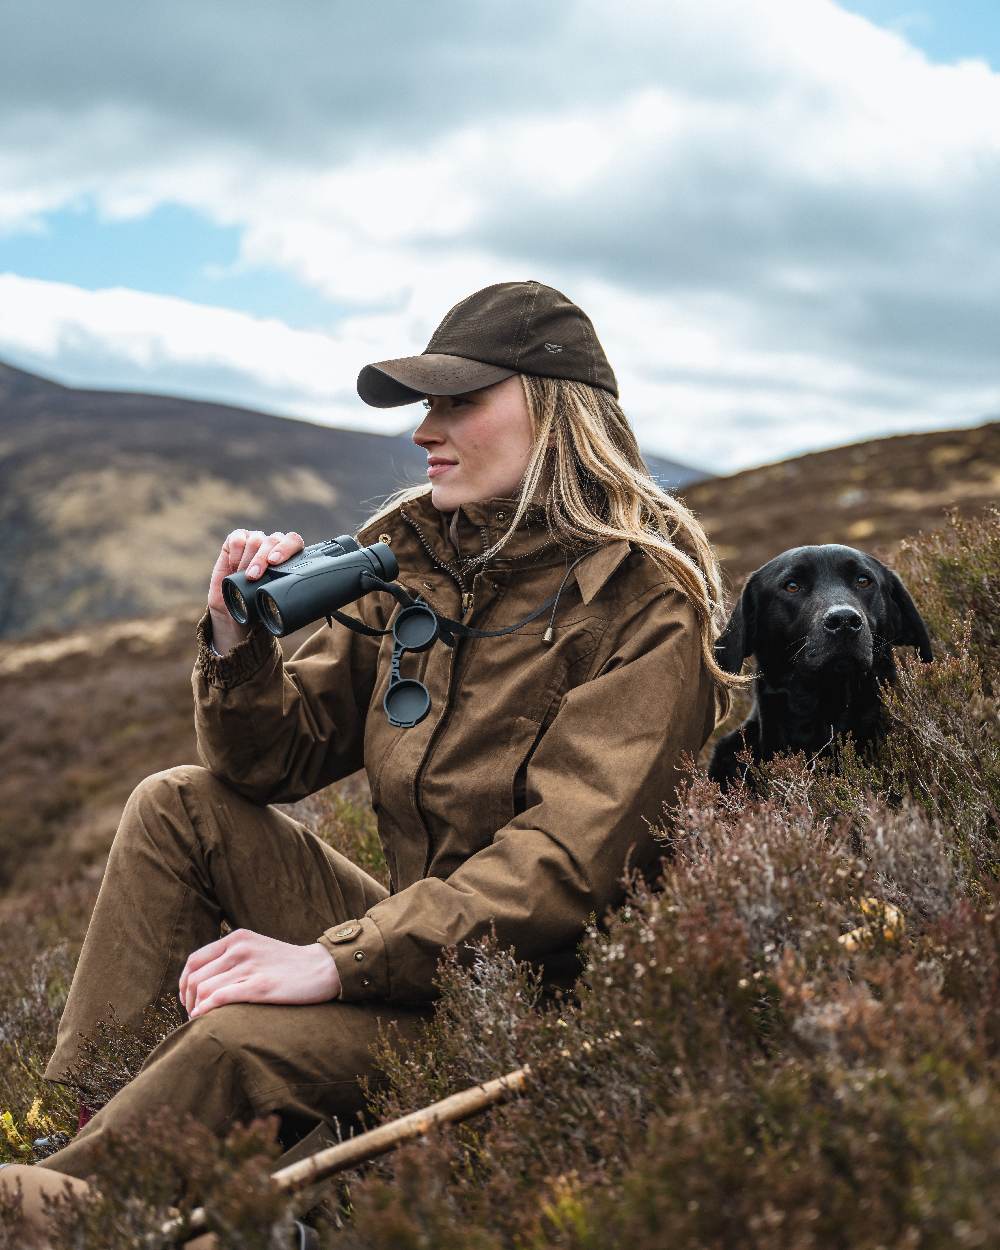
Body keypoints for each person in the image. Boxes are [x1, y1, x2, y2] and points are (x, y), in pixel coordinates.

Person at [2, 279, 739, 1239]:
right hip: (416, 952)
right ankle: (74, 1144)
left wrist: (332, 961)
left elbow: (563, 869)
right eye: (426, 404)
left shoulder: (646, 606)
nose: (426, 429)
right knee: (176, 805)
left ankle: (52, 1215)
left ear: (554, 413)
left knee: (238, 1040)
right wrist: (236, 645)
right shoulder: (422, 561)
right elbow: (272, 763)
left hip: (532, 1004)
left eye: (459, 401)